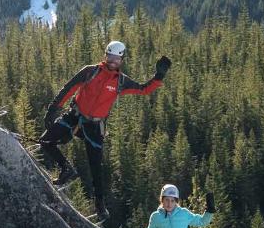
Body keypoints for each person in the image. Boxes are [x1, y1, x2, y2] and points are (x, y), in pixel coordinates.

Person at [40, 40, 170, 217]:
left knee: (96, 168)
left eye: (117, 58)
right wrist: (53, 109)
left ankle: (100, 205)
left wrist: (158, 77)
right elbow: (69, 89)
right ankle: (66, 168)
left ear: (121, 60)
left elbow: (143, 89)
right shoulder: (90, 71)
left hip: (95, 127)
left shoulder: (120, 82)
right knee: (46, 141)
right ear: (105, 55)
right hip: (74, 117)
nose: (113, 61)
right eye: (110, 56)